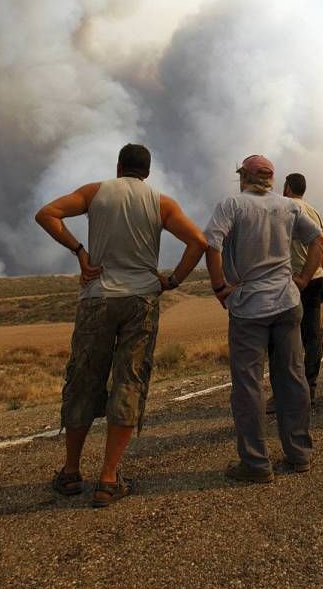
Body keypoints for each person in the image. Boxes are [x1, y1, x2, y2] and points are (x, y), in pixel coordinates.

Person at [35, 143, 207, 507]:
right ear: (147, 171)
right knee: (129, 380)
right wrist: (172, 281)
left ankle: (69, 473)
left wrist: (80, 252)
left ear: (118, 167)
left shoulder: (94, 192)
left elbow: (47, 214)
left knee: (83, 379)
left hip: (96, 297)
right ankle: (109, 479)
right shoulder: (162, 203)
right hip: (141, 300)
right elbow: (199, 242)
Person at [205, 154, 323, 483]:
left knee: (248, 385)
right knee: (292, 378)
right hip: (287, 302)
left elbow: (211, 244)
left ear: (243, 176)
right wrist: (301, 279)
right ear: (272, 178)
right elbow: (318, 240)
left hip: (248, 307)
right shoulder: (289, 207)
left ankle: (256, 464)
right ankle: (299, 455)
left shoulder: (231, 205)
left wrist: (220, 288)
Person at [282, 173, 323, 404]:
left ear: (287, 187)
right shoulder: (315, 212)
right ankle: (310, 386)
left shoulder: (285, 209)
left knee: (287, 336)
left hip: (296, 279)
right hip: (316, 277)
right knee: (312, 335)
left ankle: (288, 390)